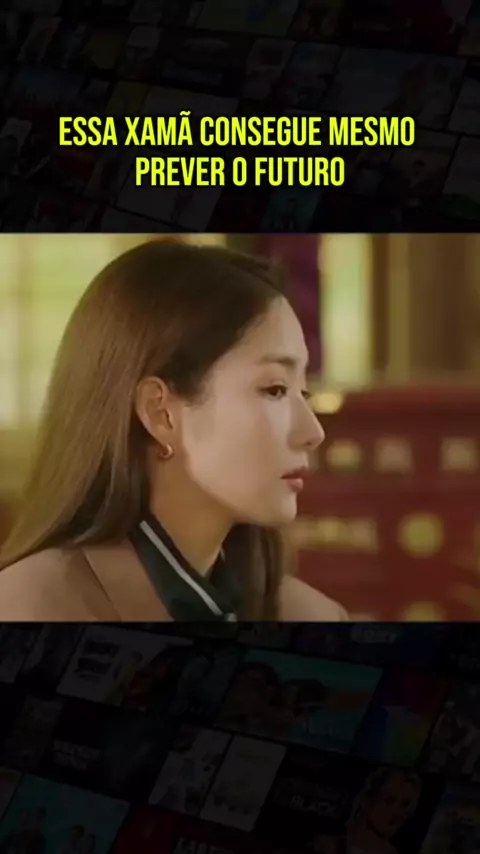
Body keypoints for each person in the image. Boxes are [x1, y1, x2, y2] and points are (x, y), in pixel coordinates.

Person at [0, 241, 348, 622]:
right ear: (161, 413)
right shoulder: (31, 608)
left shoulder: (313, 616)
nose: (313, 432)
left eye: (304, 392)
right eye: (275, 389)